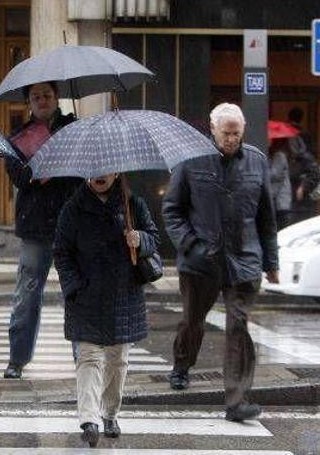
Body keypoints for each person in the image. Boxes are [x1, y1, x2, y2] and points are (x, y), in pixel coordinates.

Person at [162, 103, 279, 422]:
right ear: (212, 130)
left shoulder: (256, 161)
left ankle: (237, 401)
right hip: (201, 261)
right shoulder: (190, 158)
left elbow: (266, 217)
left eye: (236, 133)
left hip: (244, 260)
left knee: (238, 325)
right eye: (226, 133)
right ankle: (182, 366)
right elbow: (172, 210)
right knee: (192, 321)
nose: (231, 139)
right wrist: (191, 245)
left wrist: (272, 262)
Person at [54, 173, 159, 447]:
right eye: (95, 171)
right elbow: (62, 252)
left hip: (123, 295)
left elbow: (154, 237)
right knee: (88, 358)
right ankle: (89, 419)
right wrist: (74, 287)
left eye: (107, 169)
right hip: (86, 297)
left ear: (117, 173)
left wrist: (141, 240)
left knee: (117, 359)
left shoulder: (132, 204)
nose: (101, 175)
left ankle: (109, 413)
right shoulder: (73, 208)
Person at [4, 81, 82, 379]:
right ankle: (17, 358)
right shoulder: (19, 138)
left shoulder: (74, 130)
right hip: (34, 227)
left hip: (71, 225)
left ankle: (82, 358)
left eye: (47, 95)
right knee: (26, 295)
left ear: (56, 97)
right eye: (36, 97)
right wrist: (47, 165)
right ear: (29, 102)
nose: (42, 100)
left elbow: (84, 169)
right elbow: (20, 177)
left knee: (76, 294)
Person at [268, 139, 293, 230]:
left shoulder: (280, 156)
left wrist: (262, 170)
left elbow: (275, 174)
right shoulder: (271, 156)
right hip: (274, 197)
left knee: (282, 225)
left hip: (281, 198)